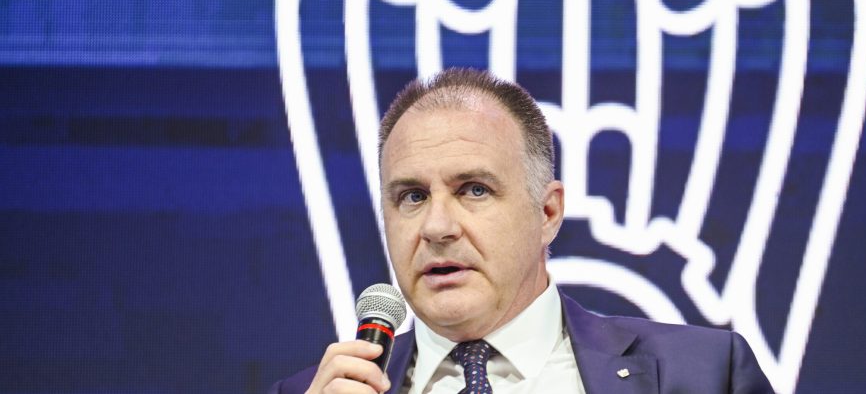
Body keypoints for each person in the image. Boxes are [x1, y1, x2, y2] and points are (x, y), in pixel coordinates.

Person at [270, 68, 774, 394]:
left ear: (547, 213)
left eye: (474, 190)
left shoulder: (705, 374)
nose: (437, 227)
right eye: (413, 197)